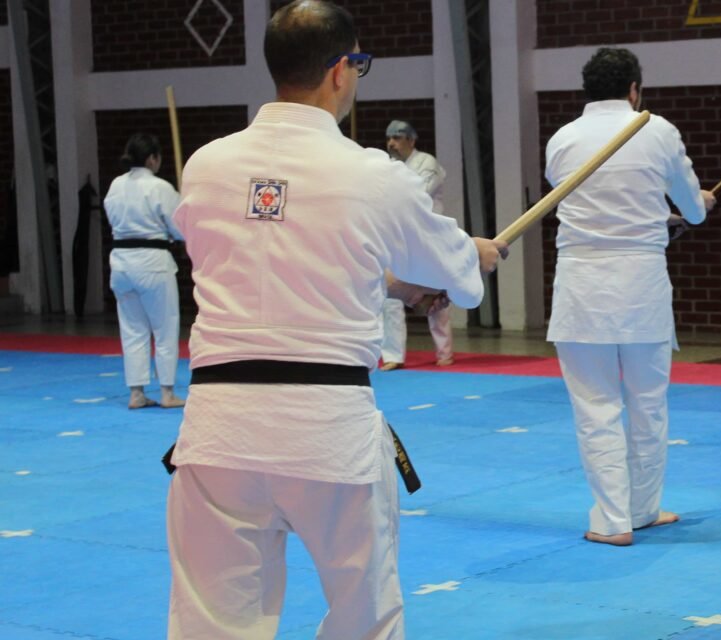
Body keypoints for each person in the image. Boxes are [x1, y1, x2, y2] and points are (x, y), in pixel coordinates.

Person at [164, 2, 505, 638]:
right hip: (326, 432)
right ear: (341, 70)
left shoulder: (205, 165)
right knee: (363, 617)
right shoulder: (374, 174)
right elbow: (462, 281)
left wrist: (391, 280)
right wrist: (476, 253)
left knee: (211, 623)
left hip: (217, 432)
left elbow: (262, 250)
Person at [545, 46, 715, 547]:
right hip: (640, 285)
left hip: (581, 286)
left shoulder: (562, 139)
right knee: (647, 405)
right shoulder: (656, 130)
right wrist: (695, 206)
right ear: (634, 89)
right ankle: (641, 509)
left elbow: (590, 205)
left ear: (586, 91)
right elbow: (694, 209)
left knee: (595, 406)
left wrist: (648, 215)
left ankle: (613, 519)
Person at [103, 133, 186, 410]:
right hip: (152, 262)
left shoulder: (116, 185)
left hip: (122, 263)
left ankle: (136, 393)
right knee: (164, 327)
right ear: (152, 158)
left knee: (133, 329)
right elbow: (178, 228)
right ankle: (167, 392)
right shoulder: (160, 187)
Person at [380, 119, 452, 370]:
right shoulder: (387, 166)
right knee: (390, 298)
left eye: (397, 138)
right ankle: (392, 355)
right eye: (389, 138)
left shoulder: (427, 163)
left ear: (412, 140)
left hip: (429, 239)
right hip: (397, 237)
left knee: (435, 297)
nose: (392, 143)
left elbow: (417, 194)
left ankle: (444, 353)